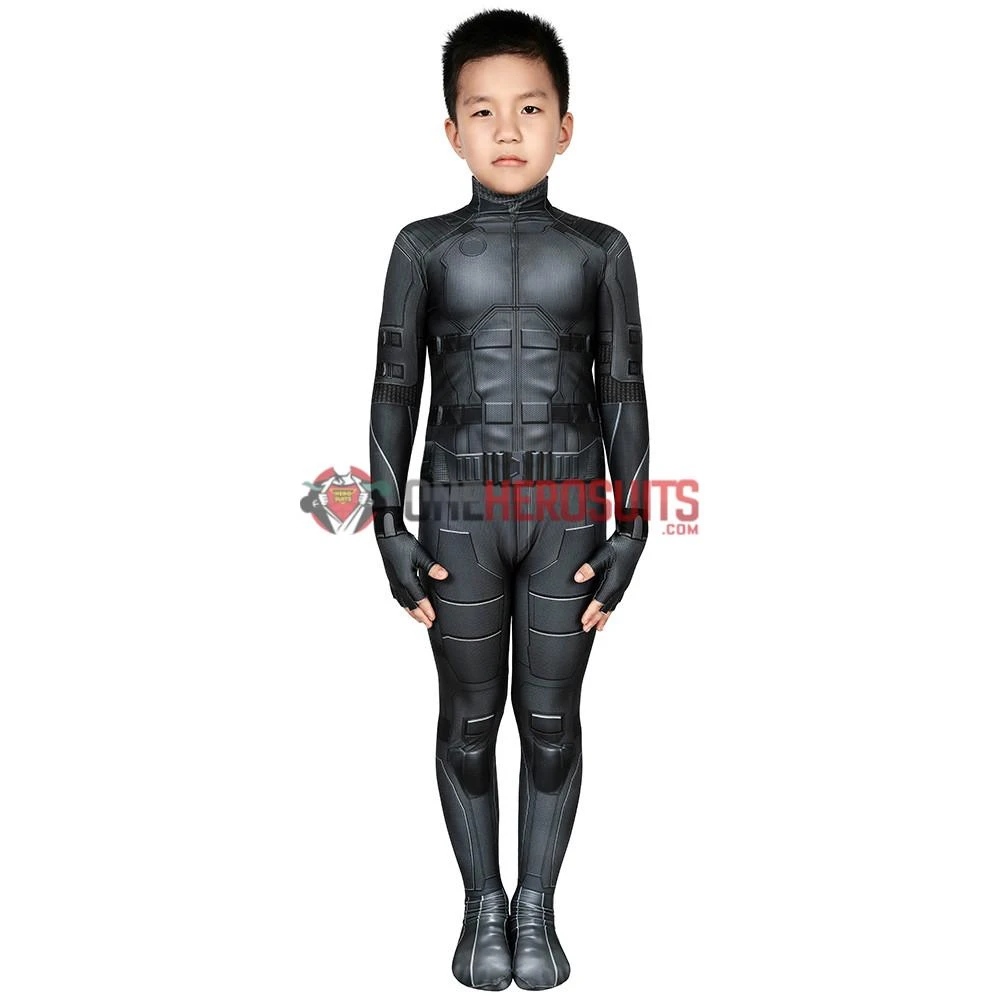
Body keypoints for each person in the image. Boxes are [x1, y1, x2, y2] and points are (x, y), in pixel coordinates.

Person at [368, 9, 650, 991]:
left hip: (570, 514)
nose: (506, 130)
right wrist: (386, 527)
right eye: (482, 111)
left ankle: (536, 909)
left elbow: (623, 391)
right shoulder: (422, 249)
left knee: (553, 723)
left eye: (529, 108)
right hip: (459, 515)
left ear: (564, 126)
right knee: (467, 720)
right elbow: (394, 389)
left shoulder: (602, 250)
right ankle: (482, 907)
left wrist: (634, 529)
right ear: (452, 130)